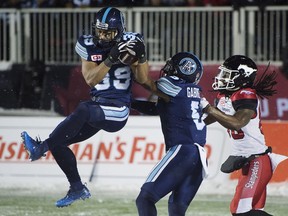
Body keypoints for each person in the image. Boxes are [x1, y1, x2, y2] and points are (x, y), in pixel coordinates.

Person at [21, 7, 158, 208]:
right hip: (98, 107)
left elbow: (143, 79)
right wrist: (110, 59)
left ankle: (41, 148)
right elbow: (91, 80)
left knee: (83, 109)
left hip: (118, 110)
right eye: (100, 31)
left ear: (119, 30)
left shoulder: (132, 40)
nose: (102, 36)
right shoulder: (87, 43)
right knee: (59, 142)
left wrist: (141, 56)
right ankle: (76, 187)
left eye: (108, 32)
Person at [200, 55, 283, 216]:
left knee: (240, 211)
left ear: (242, 77)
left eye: (227, 74)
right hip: (246, 161)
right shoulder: (224, 96)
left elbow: (237, 123)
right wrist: (193, 119)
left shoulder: (246, 94)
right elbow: (211, 118)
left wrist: (209, 108)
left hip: (257, 159)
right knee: (250, 211)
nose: (222, 78)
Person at [131, 52, 208, 216]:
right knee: (176, 209)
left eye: (172, 66)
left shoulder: (172, 85)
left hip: (183, 151)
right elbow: (158, 108)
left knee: (145, 199)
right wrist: (130, 103)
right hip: (200, 156)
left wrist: (137, 61)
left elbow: (145, 82)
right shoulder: (192, 91)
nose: (167, 69)